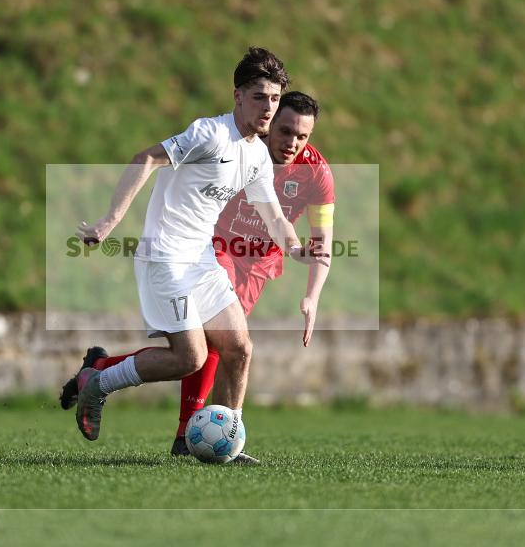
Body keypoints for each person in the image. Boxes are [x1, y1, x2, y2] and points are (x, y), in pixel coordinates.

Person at [61, 47, 328, 463]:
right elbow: (146, 158)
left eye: (275, 99)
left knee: (239, 349)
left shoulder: (256, 153)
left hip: (201, 259)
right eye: (259, 97)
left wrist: (295, 249)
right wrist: (110, 221)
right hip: (165, 256)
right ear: (238, 96)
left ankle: (228, 443)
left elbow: (274, 216)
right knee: (190, 358)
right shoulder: (209, 134)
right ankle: (98, 384)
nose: (268, 108)